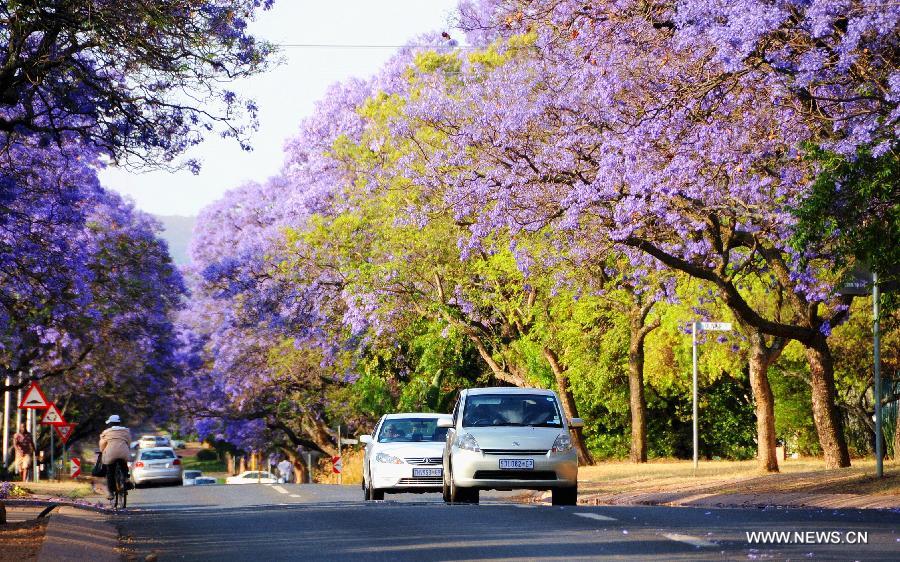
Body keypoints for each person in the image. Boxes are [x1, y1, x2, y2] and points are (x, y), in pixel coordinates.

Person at [98, 415, 132, 500]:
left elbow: (102, 444)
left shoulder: (106, 432)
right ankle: (126, 478)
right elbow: (129, 442)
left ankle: (111, 493)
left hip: (111, 454)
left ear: (110, 423)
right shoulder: (125, 431)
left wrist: (102, 451)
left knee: (110, 472)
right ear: (119, 422)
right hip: (123, 452)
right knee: (123, 464)